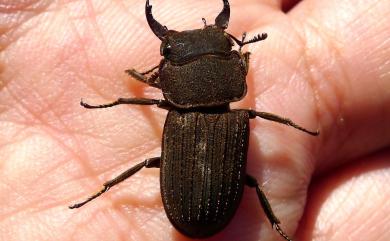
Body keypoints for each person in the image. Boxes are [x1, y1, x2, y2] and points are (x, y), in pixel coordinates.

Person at [0, 0, 388, 240]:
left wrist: (115, 101)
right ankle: (277, 228)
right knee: (251, 183)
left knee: (158, 164)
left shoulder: (179, 111)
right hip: (201, 204)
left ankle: (104, 190)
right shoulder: (237, 115)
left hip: (197, 205)